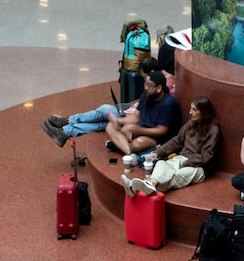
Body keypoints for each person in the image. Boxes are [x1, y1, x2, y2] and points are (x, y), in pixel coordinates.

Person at [42, 72, 180, 157]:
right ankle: (127, 151)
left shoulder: (169, 103)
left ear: (159, 88)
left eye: (149, 85)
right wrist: (120, 122)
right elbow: (136, 116)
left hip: (152, 137)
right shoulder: (147, 95)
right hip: (137, 127)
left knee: (106, 114)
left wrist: (135, 128)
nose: (145, 88)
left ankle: (66, 127)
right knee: (109, 125)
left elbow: (162, 131)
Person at [123, 97, 219, 196]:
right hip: (183, 158)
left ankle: (136, 188)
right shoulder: (191, 123)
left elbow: (206, 156)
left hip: (199, 167)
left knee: (177, 175)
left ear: (203, 112)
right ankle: (149, 185)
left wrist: (187, 162)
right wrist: (158, 152)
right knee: (161, 164)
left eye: (194, 110)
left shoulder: (213, 130)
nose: (190, 112)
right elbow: (177, 141)